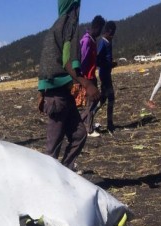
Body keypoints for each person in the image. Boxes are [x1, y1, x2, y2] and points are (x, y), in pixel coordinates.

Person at [37, 0, 100, 171]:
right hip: (57, 96)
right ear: (75, 7)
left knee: (79, 134)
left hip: (61, 95)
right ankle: (49, 185)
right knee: (52, 151)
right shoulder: (69, 24)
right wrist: (86, 83)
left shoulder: (55, 27)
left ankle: (64, 174)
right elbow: (67, 61)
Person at [79, 15, 105, 137]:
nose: (101, 32)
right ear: (97, 27)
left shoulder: (93, 40)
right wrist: (83, 80)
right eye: (101, 29)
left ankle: (87, 126)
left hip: (92, 76)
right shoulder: (87, 40)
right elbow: (83, 60)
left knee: (94, 102)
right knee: (91, 103)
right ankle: (84, 126)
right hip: (87, 78)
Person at [96, 21, 118, 134]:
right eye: (113, 33)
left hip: (106, 73)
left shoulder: (108, 42)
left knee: (103, 99)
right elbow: (98, 60)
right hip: (104, 74)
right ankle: (109, 123)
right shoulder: (102, 43)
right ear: (109, 32)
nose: (113, 36)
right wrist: (109, 65)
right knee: (111, 97)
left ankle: (90, 115)